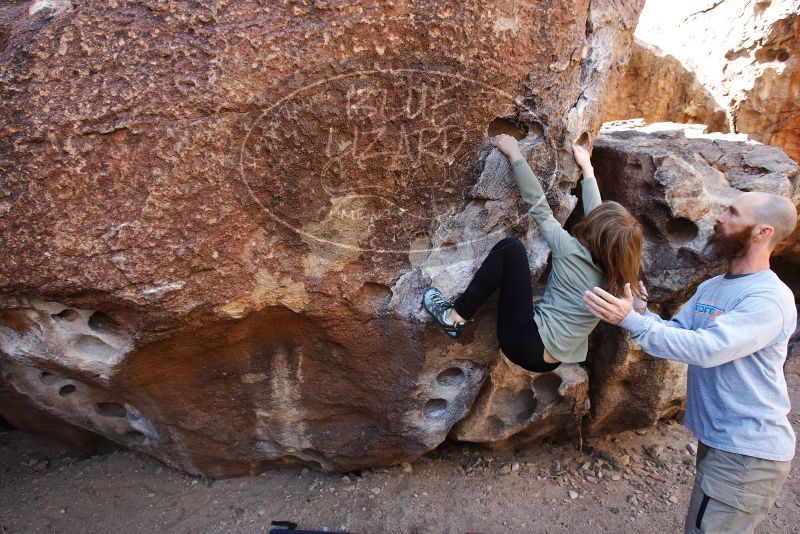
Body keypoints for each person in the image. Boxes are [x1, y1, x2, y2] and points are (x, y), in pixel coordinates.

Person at [583, 191, 798, 533]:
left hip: (748, 454)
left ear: (762, 232)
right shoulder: (715, 286)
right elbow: (679, 335)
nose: (719, 217)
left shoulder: (769, 299)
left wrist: (632, 321)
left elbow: (707, 349)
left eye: (733, 213)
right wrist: (640, 310)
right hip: (722, 442)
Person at [422, 134, 644, 372]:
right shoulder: (618, 275)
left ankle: (454, 317)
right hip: (553, 358)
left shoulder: (569, 249)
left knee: (511, 250)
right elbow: (601, 223)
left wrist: (515, 155)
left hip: (524, 344)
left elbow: (539, 206)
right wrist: (587, 170)